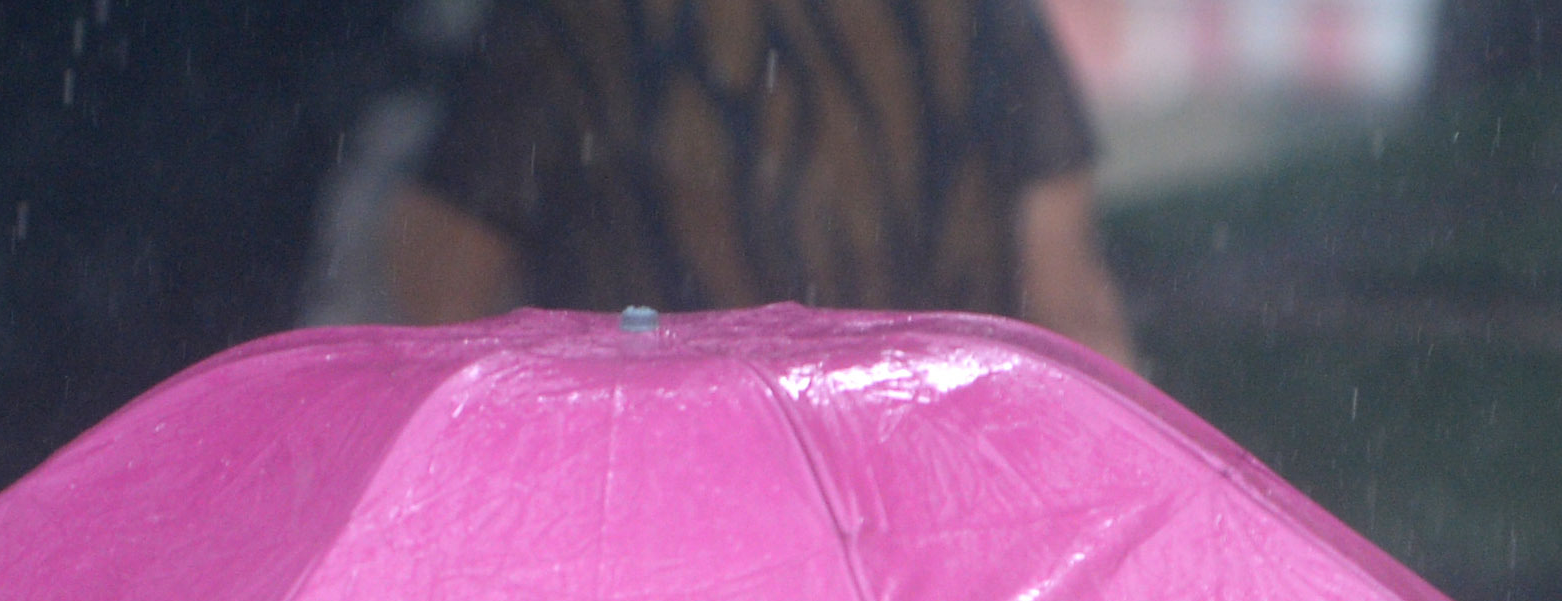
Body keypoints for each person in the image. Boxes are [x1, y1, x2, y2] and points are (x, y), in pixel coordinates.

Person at [380, 0, 1133, 362]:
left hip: (660, 507)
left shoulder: (573, 30)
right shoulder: (973, 19)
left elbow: (433, 311)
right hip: (923, 498)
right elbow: (1069, 306)